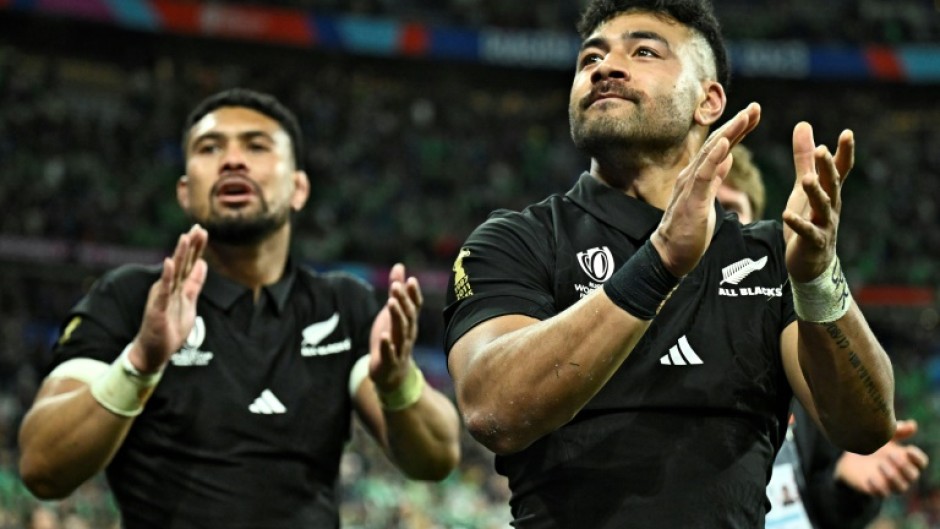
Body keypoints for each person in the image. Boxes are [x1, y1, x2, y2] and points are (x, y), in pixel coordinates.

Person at [443, 0, 898, 527]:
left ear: (709, 101)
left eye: (643, 52)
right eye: (589, 58)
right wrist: (659, 263)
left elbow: (864, 427)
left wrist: (818, 279)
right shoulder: (516, 241)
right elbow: (492, 408)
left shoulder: (769, 257)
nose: (605, 67)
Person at [17, 88, 461, 528]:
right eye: (210, 148)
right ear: (185, 192)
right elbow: (42, 466)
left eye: (256, 145)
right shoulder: (132, 299)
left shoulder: (343, 305)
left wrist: (397, 383)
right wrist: (140, 363)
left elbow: (437, 459)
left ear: (299, 188)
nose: (232, 159)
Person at [720, 144, 930, 529]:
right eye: (710, 208)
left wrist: (849, 483)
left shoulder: (798, 356)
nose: (721, 226)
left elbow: (822, 502)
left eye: (733, 212)